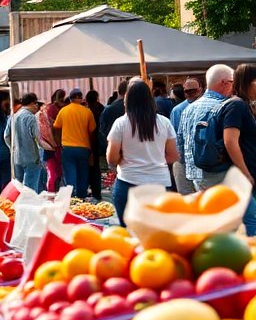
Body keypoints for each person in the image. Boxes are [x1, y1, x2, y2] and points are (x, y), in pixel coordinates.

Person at [106, 80, 178, 219]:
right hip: (159, 184)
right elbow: (173, 156)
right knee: (157, 232)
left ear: (127, 99)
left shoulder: (121, 123)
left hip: (128, 182)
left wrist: (125, 160)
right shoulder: (164, 122)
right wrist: (155, 159)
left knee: (129, 234)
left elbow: (112, 158)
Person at [181, 64, 236, 192]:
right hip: (218, 173)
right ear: (224, 82)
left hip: (195, 174)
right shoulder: (226, 107)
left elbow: (180, 143)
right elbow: (231, 142)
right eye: (233, 82)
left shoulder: (188, 109)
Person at [221, 63, 256, 234]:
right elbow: (230, 141)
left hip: (248, 173)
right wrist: (246, 173)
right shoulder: (237, 105)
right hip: (244, 175)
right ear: (248, 82)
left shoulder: (245, 105)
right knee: (251, 220)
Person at [55, 89, 98, 199]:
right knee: (83, 175)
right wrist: (92, 150)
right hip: (84, 148)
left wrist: (58, 142)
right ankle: (81, 198)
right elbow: (92, 131)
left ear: (70, 98)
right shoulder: (87, 112)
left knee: (70, 175)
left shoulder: (63, 111)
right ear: (81, 98)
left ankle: (71, 199)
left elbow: (56, 127)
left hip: (67, 148)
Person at [170, 78, 203, 194]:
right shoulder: (177, 110)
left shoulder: (205, 107)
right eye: (186, 91)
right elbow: (174, 137)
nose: (189, 94)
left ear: (200, 90)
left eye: (192, 91)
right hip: (183, 159)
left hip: (199, 160)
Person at [6, 93, 45, 192]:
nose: (37, 107)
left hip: (17, 158)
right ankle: (29, 206)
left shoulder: (13, 116)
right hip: (31, 158)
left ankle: (20, 206)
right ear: (32, 103)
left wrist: (13, 148)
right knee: (30, 190)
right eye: (36, 104)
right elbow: (38, 138)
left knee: (19, 188)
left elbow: (6, 136)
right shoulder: (31, 117)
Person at [42, 90, 65, 190]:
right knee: (53, 173)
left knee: (58, 172)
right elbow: (52, 127)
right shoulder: (52, 108)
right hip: (52, 146)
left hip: (57, 144)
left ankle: (55, 191)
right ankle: (52, 192)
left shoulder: (58, 108)